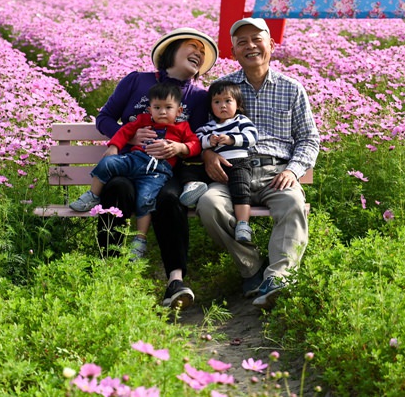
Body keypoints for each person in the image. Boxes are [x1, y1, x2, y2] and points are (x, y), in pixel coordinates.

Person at [197, 17, 320, 309]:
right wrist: (207, 153)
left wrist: (293, 170)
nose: (250, 46)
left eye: (257, 39)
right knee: (208, 204)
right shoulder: (222, 89)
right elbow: (202, 133)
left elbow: (309, 139)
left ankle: (278, 278)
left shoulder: (292, 88)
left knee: (292, 204)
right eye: (242, 42)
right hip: (229, 172)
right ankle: (252, 269)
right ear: (233, 50)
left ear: (271, 44)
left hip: (274, 172)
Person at [93, 27, 218, 309]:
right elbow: (105, 118)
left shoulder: (199, 97)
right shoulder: (137, 81)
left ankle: (175, 280)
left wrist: (180, 148)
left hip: (166, 171)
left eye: (203, 52)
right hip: (129, 163)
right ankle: (109, 271)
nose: (199, 53)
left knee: (169, 200)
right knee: (116, 189)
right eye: (193, 46)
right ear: (171, 50)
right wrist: (129, 134)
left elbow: (199, 138)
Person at [71, 81, 201, 260]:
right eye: (157, 107)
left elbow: (195, 144)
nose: (162, 112)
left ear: (178, 111)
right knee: (108, 163)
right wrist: (114, 146)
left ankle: (140, 240)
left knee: (145, 200)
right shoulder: (143, 121)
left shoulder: (182, 127)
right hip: (133, 160)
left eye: (168, 107)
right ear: (149, 110)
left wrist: (180, 148)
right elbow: (125, 131)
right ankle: (93, 195)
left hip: (157, 170)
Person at [194, 81, 258, 243]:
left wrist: (231, 139)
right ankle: (192, 188)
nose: (223, 105)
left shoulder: (241, 121)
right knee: (194, 172)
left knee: (241, 189)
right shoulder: (208, 127)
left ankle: (243, 224)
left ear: (238, 104)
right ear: (211, 106)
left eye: (228, 101)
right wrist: (210, 141)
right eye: (217, 102)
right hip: (217, 167)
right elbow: (197, 141)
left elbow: (252, 137)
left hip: (239, 163)